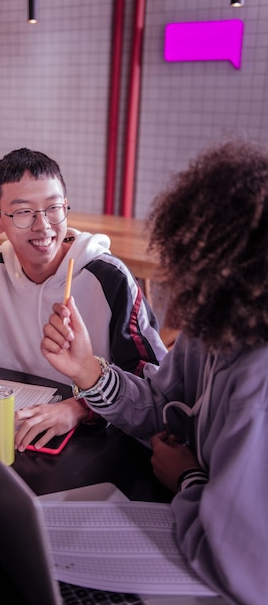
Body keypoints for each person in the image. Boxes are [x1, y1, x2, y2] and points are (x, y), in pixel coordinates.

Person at [40, 139, 268, 604]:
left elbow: (247, 570)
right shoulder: (214, 327)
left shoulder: (257, 383)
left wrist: (188, 480)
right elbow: (162, 405)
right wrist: (89, 371)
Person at [0, 148, 166, 448]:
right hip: (20, 429)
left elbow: (151, 382)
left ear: (66, 206)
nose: (43, 225)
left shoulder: (109, 277)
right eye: (23, 212)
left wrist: (81, 408)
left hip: (103, 436)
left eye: (53, 208)